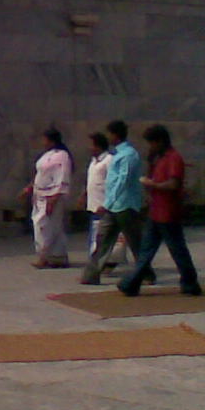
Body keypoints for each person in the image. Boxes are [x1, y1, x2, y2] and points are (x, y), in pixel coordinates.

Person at [117, 124, 202, 297]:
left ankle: (190, 282)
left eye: (152, 143)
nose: (151, 147)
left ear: (161, 141)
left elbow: (173, 184)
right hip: (156, 212)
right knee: (147, 250)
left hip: (168, 212)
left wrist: (153, 185)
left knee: (177, 250)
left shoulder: (173, 158)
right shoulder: (160, 158)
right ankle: (132, 282)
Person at [79, 119, 153, 286]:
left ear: (116, 135)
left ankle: (147, 273)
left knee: (135, 241)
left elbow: (123, 181)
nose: (109, 138)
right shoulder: (118, 155)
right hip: (113, 206)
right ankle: (91, 274)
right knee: (102, 239)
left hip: (125, 205)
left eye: (110, 134)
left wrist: (108, 202)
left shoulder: (129, 155)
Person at [21, 126, 73, 269]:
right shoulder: (45, 156)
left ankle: (48, 257)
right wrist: (30, 188)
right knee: (41, 226)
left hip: (52, 197)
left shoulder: (62, 155)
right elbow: (40, 175)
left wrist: (54, 197)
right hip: (40, 196)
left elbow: (61, 176)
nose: (42, 141)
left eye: (44, 138)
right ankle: (54, 257)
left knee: (48, 227)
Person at [80, 131, 111, 267]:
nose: (89, 148)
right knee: (95, 235)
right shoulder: (94, 162)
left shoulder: (109, 160)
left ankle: (97, 265)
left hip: (103, 205)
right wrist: (84, 195)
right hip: (93, 205)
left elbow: (112, 183)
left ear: (98, 146)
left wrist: (106, 203)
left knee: (100, 237)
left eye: (91, 145)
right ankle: (98, 263)